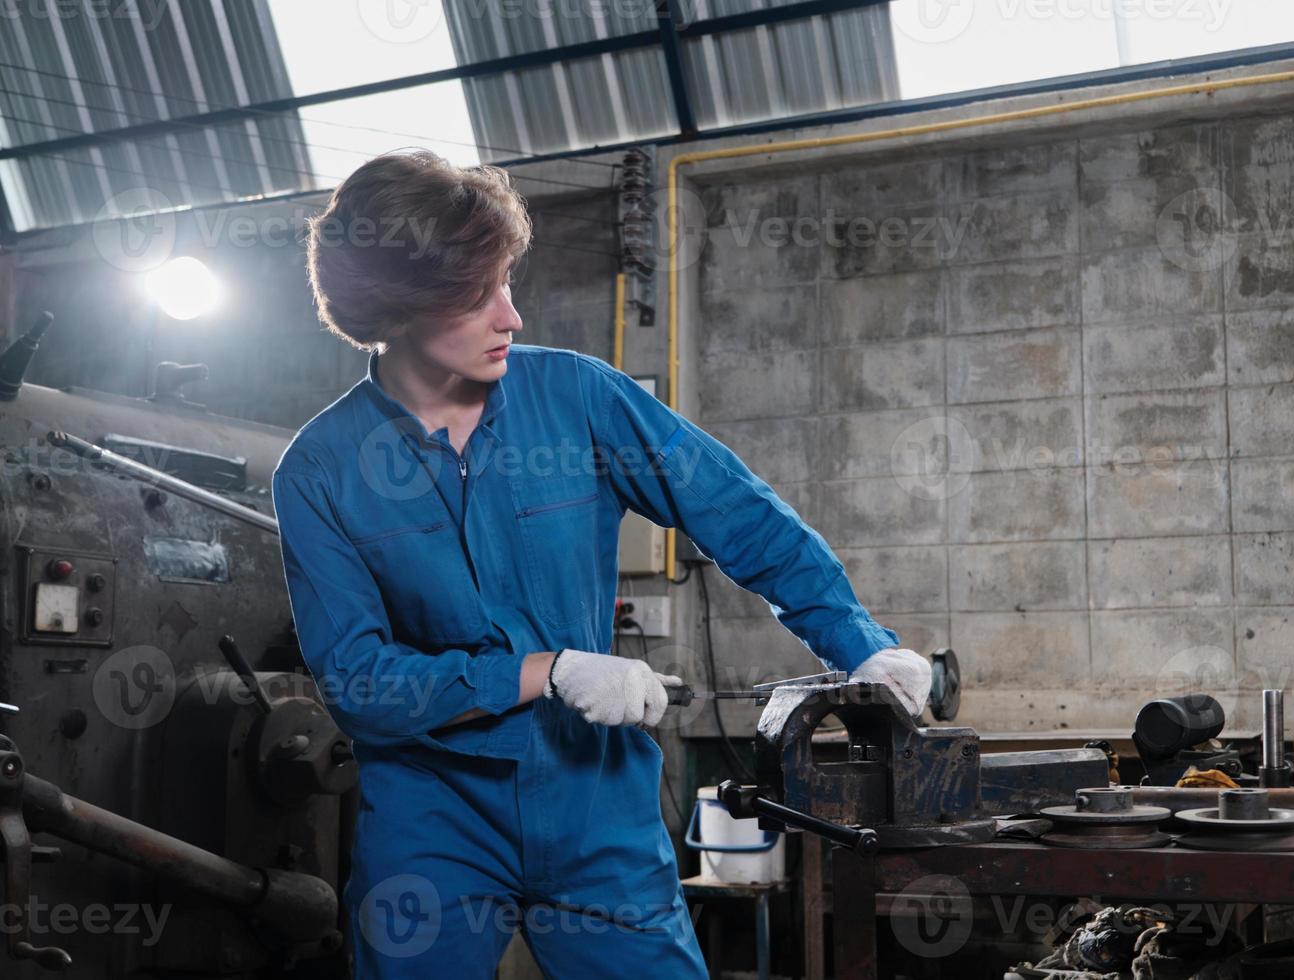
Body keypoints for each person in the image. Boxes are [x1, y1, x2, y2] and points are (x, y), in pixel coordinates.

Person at [271, 149, 933, 978]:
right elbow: (359, 682)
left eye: (507, 281)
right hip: (429, 818)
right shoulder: (321, 469)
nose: (510, 315)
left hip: (594, 799)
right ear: (398, 306)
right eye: (479, 296)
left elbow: (741, 516)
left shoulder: (580, 399)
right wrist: (544, 670)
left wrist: (858, 645)